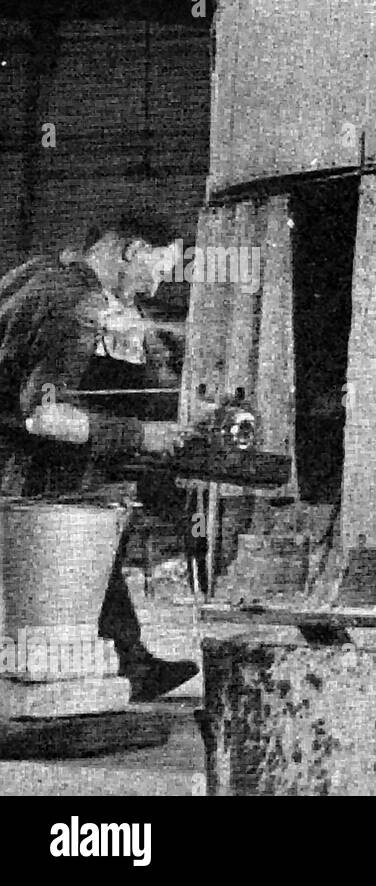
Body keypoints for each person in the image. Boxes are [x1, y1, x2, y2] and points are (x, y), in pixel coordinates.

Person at [0, 214, 199, 702]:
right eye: (158, 268)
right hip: (20, 462)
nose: (156, 285)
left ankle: (132, 660)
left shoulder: (36, 274)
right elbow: (44, 416)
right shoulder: (78, 303)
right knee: (68, 537)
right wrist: (140, 436)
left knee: (88, 539)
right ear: (130, 251)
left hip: (18, 455)